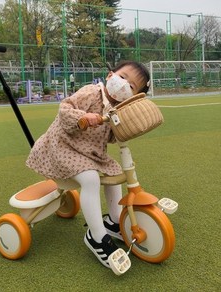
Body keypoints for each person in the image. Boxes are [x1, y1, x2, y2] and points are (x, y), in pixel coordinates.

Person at [26, 60, 150, 272]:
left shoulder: (116, 108)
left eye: (131, 86)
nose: (124, 85)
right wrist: (83, 118)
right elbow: (64, 108)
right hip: (63, 147)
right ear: (110, 75)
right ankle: (97, 236)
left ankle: (113, 221)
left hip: (90, 153)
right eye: (123, 77)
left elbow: (110, 138)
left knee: (115, 173)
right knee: (91, 179)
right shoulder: (92, 92)